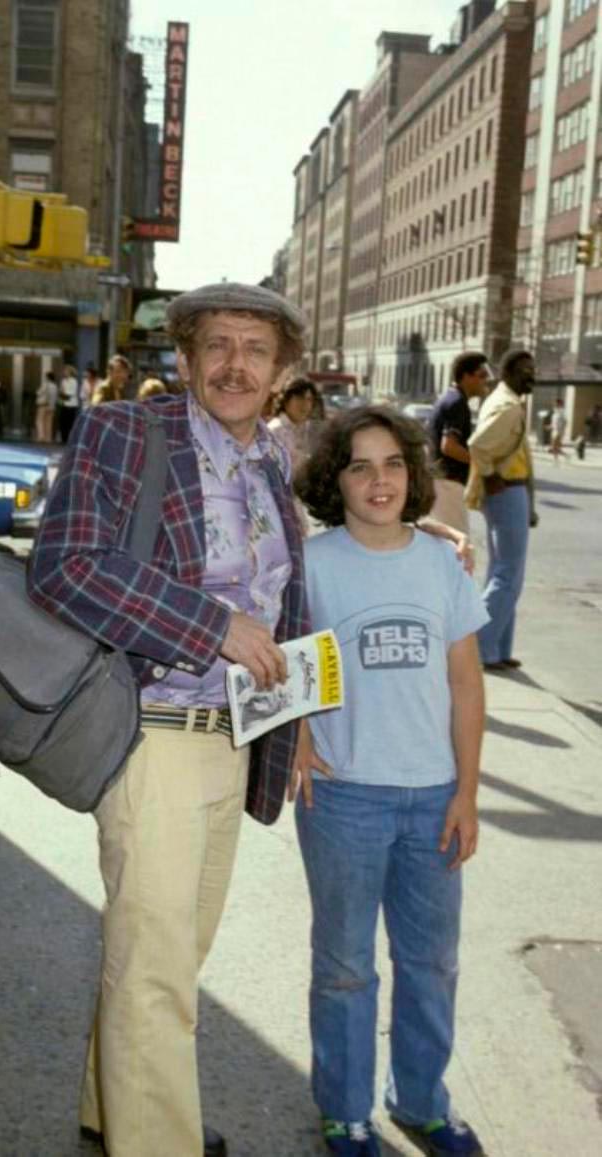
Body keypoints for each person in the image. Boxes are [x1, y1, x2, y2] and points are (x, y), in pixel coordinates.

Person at [27, 281, 310, 1157]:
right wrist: (208, 625)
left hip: (233, 741)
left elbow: (285, 602)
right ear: (184, 359)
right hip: (150, 735)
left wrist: (294, 727)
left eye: (255, 351)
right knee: (155, 972)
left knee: (168, 956)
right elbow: (64, 566)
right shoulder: (126, 432)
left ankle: (113, 1106)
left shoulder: (270, 461)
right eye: (217, 346)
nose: (235, 365)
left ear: (279, 373)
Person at [292, 405, 488, 1157]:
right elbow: (292, 657)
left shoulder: (441, 563)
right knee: (344, 966)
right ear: (332, 479)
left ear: (414, 473)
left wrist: (467, 791)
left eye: (394, 464)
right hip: (344, 798)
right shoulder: (313, 563)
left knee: (431, 962)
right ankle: (345, 1109)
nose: (380, 480)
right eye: (359, 465)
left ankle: (421, 1100)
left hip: (433, 794)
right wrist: (302, 737)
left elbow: (466, 684)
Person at [465, 348, 538, 672]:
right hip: (506, 491)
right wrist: (491, 475)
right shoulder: (507, 407)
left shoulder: (506, 400)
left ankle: (496, 649)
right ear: (509, 373)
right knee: (508, 574)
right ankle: (478, 647)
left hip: (513, 492)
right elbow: (478, 444)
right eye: (525, 370)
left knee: (507, 574)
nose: (531, 376)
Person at [429, 352, 491, 533]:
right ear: (466, 376)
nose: (485, 381)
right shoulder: (457, 403)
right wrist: (479, 462)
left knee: (445, 543)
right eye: (482, 375)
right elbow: (449, 446)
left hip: (441, 482)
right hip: (448, 483)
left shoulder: (450, 398)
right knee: (457, 544)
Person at [268, 377, 324, 472]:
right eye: (299, 398)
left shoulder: (313, 430)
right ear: (286, 401)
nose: (304, 404)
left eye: (309, 399)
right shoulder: (274, 431)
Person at [58, 364, 80, 442]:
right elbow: (61, 392)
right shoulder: (63, 381)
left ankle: (69, 439)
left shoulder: (74, 381)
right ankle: (63, 438)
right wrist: (63, 394)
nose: (64, 372)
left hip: (72, 405)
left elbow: (71, 393)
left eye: (66, 371)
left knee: (70, 423)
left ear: (70, 372)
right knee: (63, 422)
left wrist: (64, 393)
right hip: (64, 404)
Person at [34, 370, 58, 442]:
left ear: (47, 377)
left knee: (39, 421)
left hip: (43, 405)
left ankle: (41, 436)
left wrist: (38, 392)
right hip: (52, 407)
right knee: (49, 422)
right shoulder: (55, 386)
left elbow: (38, 393)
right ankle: (48, 438)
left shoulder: (45, 385)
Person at [547, 398, 566, 463]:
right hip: (554, 431)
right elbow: (554, 422)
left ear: (560, 404)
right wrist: (549, 426)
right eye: (555, 403)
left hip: (558, 431)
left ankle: (556, 460)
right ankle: (566, 456)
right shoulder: (555, 412)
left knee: (554, 445)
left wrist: (562, 431)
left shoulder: (562, 412)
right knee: (556, 447)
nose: (555, 404)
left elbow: (564, 422)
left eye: (556, 403)